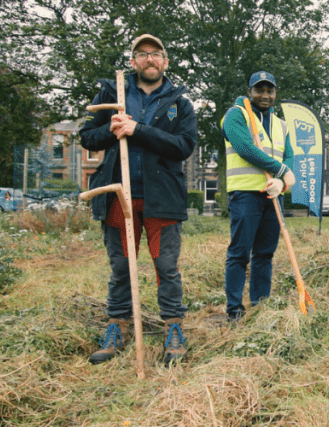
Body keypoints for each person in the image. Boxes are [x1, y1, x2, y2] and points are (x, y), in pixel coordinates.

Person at [80, 34, 198, 366]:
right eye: (142, 55)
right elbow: (87, 136)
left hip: (162, 199)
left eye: (156, 54)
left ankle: (173, 330)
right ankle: (117, 329)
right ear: (133, 62)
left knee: (166, 267)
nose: (149, 60)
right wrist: (111, 130)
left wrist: (138, 129)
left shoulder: (179, 102)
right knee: (121, 268)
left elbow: (184, 146)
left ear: (165, 62)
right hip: (120, 196)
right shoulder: (113, 93)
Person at [220, 71, 296, 322]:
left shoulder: (281, 124)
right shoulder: (236, 115)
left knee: (265, 253)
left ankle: (261, 305)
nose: (265, 95)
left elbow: (288, 156)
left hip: (272, 194)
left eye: (269, 90)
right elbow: (244, 148)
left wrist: (281, 181)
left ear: (275, 93)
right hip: (245, 194)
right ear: (250, 91)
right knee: (240, 252)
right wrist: (282, 171)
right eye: (259, 90)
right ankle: (234, 310)